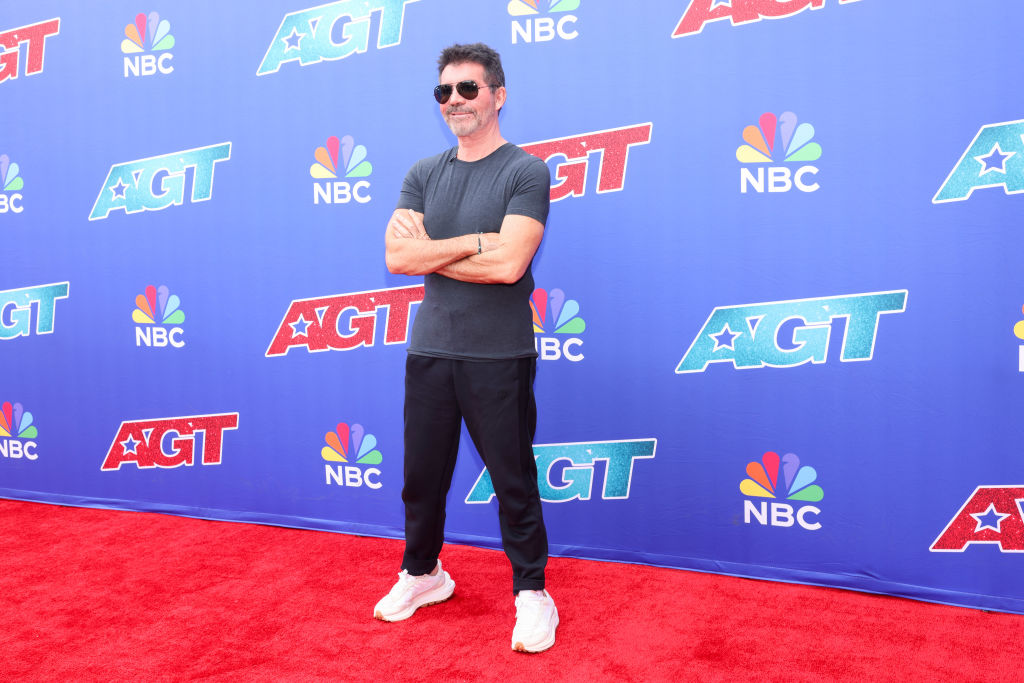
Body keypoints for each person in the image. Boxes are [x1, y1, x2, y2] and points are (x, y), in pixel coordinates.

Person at [375, 42, 557, 653]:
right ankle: (423, 573)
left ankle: (532, 593)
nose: (455, 100)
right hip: (430, 349)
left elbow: (509, 266)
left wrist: (435, 249)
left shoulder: (525, 171)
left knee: (513, 480)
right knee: (421, 479)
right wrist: (476, 240)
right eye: (444, 91)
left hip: (499, 354)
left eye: (468, 88)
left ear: (498, 95)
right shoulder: (423, 173)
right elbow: (397, 257)